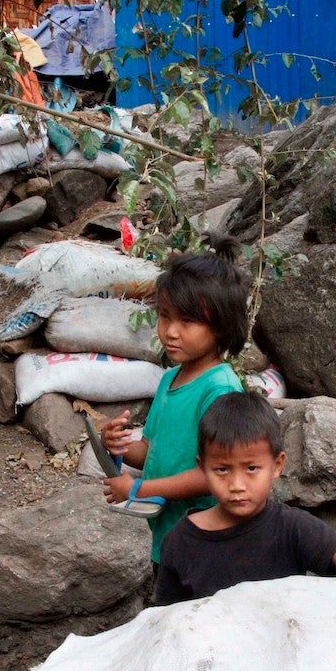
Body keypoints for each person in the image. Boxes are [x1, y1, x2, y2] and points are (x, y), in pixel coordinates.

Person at [155, 392, 336, 605]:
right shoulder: (179, 542)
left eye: (251, 468)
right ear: (203, 467)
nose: (237, 486)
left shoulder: (293, 526)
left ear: (277, 465)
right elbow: (166, 623)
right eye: (222, 470)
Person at [100, 239, 250, 577]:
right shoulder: (170, 379)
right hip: (168, 535)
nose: (170, 331)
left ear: (222, 326)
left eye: (187, 321)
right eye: (164, 316)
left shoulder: (219, 389)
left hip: (207, 543)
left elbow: (216, 474)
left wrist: (138, 489)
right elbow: (154, 452)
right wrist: (120, 445)